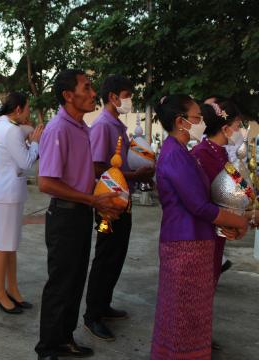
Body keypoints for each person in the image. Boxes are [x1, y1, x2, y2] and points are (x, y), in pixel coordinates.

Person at [150, 94, 248, 359]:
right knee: (184, 311)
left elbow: (242, 189)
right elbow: (200, 205)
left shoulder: (219, 157)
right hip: (189, 240)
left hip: (204, 237)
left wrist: (249, 208)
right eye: (196, 117)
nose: (239, 132)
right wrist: (239, 219)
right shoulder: (197, 153)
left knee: (195, 309)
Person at [35, 69, 123, 360]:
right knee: (61, 283)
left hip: (81, 213)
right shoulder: (58, 128)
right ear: (68, 95)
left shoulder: (81, 127)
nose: (92, 92)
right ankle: (47, 347)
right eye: (86, 87)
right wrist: (92, 199)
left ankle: (64, 338)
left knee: (74, 282)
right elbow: (46, 182)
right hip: (64, 217)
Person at [84, 75, 155, 341]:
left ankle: (103, 305)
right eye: (127, 95)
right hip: (107, 205)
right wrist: (135, 175)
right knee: (105, 256)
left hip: (122, 201)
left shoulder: (117, 125)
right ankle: (92, 315)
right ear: (113, 97)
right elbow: (97, 167)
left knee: (116, 255)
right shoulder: (103, 126)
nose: (130, 100)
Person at [0, 92, 43, 314]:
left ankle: (12, 289)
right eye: (28, 108)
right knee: (4, 246)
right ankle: (0, 293)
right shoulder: (10, 130)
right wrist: (36, 144)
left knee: (10, 246)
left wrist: (30, 131)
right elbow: (26, 161)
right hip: (8, 194)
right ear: (18, 109)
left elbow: (24, 131)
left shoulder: (4, 126)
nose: (29, 113)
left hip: (9, 193)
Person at [191, 99, 243, 285]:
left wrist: (250, 198)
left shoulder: (222, 153)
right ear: (224, 128)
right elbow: (204, 200)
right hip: (203, 231)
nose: (240, 130)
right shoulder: (201, 154)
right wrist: (242, 218)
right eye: (238, 124)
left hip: (220, 229)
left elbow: (240, 185)